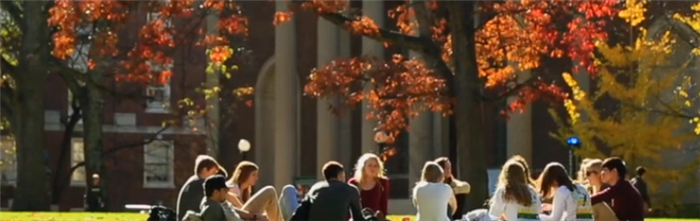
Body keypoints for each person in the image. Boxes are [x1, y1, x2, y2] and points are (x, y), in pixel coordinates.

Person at [226, 161, 297, 221]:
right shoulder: (231, 188)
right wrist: (256, 216)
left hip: (249, 216)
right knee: (269, 190)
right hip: (242, 217)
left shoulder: (246, 191)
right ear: (244, 174)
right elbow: (232, 211)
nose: (256, 178)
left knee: (288, 189)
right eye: (253, 175)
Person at [176, 155, 224, 221]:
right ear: (205, 170)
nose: (214, 176)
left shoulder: (192, 182)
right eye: (213, 172)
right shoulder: (201, 185)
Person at [348, 153, 389, 218]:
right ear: (363, 167)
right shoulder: (353, 183)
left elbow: (384, 205)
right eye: (370, 165)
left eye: (375, 166)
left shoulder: (383, 182)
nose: (373, 168)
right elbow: (349, 205)